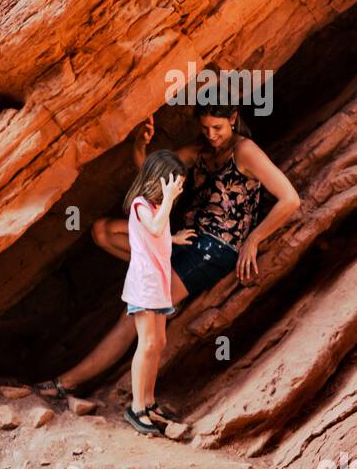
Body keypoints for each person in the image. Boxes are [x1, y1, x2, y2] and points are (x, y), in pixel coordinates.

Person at [39, 102, 300, 398]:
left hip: (215, 249)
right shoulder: (199, 150)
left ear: (233, 119)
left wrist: (253, 239)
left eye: (218, 128)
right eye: (205, 128)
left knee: (132, 314)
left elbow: (290, 199)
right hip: (185, 238)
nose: (212, 135)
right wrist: (139, 147)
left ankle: (64, 384)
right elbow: (154, 178)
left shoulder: (245, 150)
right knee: (103, 231)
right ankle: (151, 270)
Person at [121, 151, 186, 435]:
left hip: (157, 284)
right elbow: (154, 226)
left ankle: (149, 401)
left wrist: (174, 238)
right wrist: (169, 200)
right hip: (144, 284)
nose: (178, 191)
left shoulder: (157, 206)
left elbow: (155, 234)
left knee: (158, 342)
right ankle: (136, 407)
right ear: (159, 181)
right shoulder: (140, 205)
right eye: (174, 185)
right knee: (146, 344)